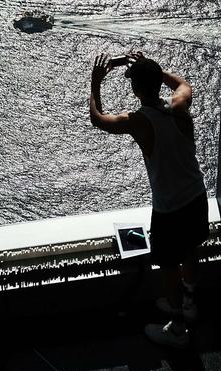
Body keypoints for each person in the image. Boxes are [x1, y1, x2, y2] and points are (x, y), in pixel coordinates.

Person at [89, 51, 209, 348]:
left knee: (168, 265)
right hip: (196, 195)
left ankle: (178, 327)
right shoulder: (180, 104)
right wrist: (154, 68)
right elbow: (182, 83)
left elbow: (98, 119)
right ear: (158, 83)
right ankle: (190, 302)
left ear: (136, 89)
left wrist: (95, 84)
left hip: (169, 208)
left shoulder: (139, 121)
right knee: (191, 249)